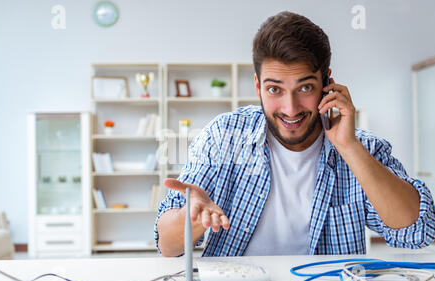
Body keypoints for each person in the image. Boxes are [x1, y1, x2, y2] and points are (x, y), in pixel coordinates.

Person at [154, 11, 435, 257]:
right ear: (258, 86)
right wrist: (192, 217)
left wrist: (349, 147)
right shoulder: (224, 135)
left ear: (328, 84)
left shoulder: (362, 148)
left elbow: (418, 232)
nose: (290, 109)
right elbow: (167, 246)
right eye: (275, 89)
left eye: (305, 88)